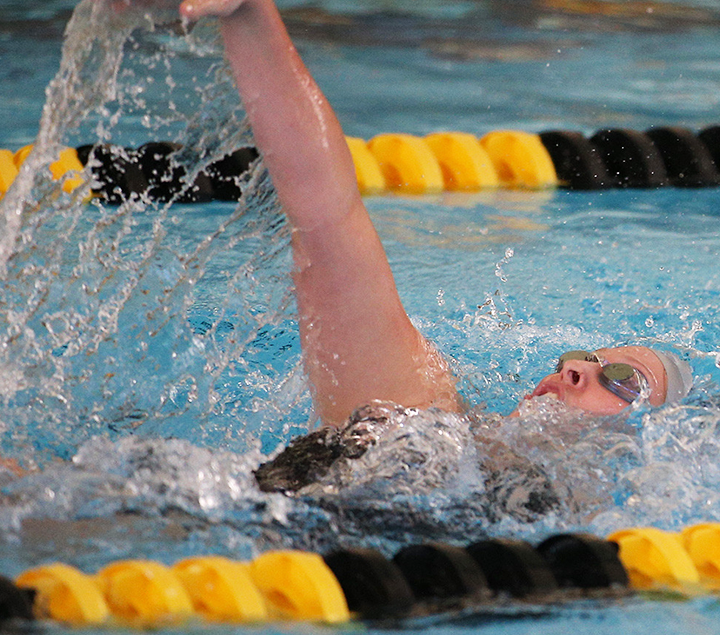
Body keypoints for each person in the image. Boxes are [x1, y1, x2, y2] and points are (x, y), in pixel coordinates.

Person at [176, 0, 692, 428]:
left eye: (623, 379)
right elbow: (327, 220)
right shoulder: (423, 412)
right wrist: (250, 13)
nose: (578, 369)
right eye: (585, 358)